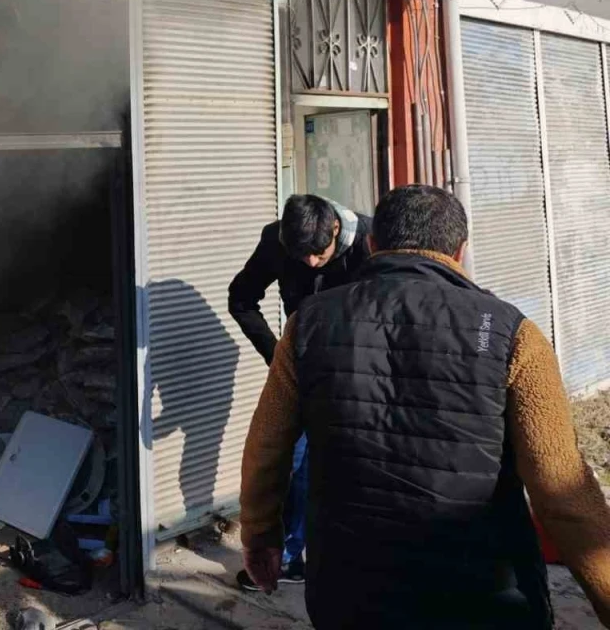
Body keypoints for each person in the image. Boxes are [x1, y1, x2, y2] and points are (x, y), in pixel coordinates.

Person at [240, 184, 610, 630]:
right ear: (460, 250)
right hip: (483, 598)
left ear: (372, 244)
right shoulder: (511, 334)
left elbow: (265, 447)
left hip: (348, 591)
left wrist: (259, 535)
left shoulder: (306, 326)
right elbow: (561, 490)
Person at [228, 194, 371, 591]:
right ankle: (287, 558)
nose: (309, 262)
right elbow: (242, 299)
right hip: (305, 375)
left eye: (318, 254)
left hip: (360, 376)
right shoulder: (275, 240)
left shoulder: (371, 243)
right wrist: (278, 356)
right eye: (301, 256)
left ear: (336, 230)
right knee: (290, 464)